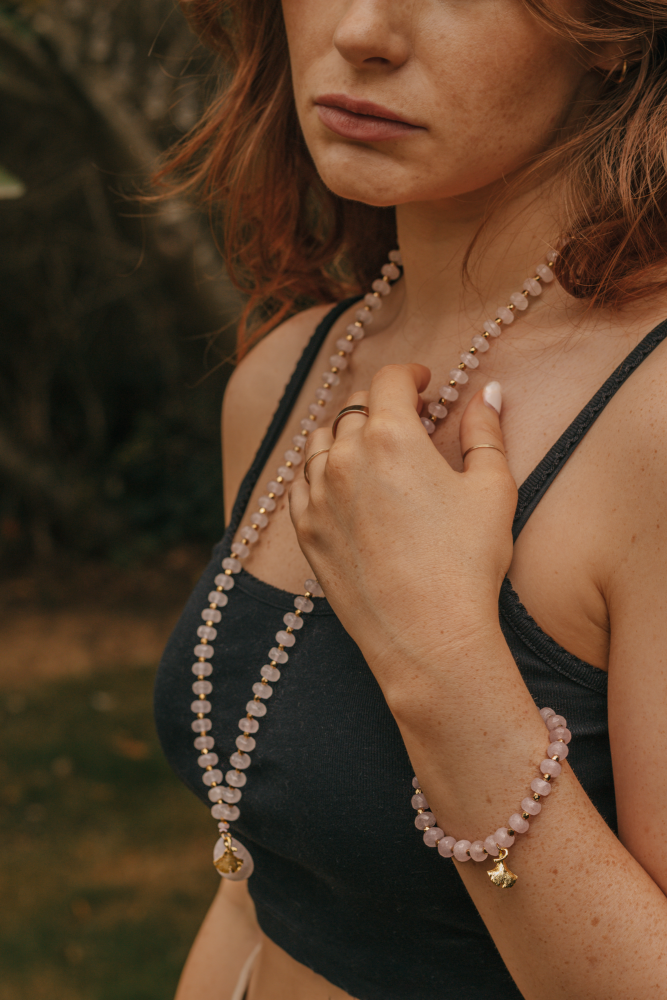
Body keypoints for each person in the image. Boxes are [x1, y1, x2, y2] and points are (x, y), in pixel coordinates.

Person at [153, 1, 667, 997]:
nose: (362, 30)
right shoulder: (281, 377)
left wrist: (441, 662)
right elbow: (260, 888)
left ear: (614, 33)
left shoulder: (651, 421)